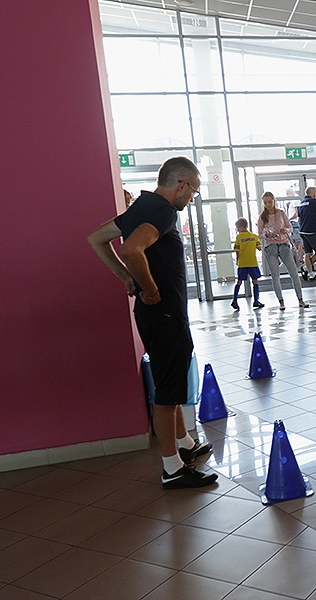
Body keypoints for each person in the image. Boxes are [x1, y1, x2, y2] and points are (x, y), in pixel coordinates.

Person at [87, 157, 216, 489]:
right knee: (168, 393)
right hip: (164, 313)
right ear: (181, 185)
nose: (192, 198)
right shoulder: (162, 210)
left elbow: (97, 238)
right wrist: (150, 289)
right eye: (194, 191)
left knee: (169, 380)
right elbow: (131, 250)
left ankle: (185, 444)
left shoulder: (140, 205)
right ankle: (172, 468)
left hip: (155, 315)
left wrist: (126, 280)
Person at [257, 192, 308, 309]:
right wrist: (266, 235)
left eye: (270, 202)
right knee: (275, 275)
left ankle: (300, 299)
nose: (268, 204)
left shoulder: (280, 213)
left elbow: (290, 227)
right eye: (265, 203)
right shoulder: (262, 217)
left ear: (274, 201)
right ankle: (281, 302)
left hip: (284, 244)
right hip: (271, 247)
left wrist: (286, 230)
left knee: (294, 273)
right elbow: (259, 234)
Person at [230, 218, 264, 311]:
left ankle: (235, 300)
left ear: (241, 227)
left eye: (237, 228)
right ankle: (256, 300)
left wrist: (237, 260)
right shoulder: (254, 236)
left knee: (239, 282)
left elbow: (237, 251)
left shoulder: (239, 238)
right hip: (252, 262)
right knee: (255, 281)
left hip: (242, 263)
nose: (237, 230)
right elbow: (259, 248)